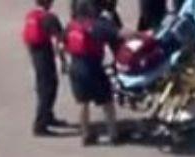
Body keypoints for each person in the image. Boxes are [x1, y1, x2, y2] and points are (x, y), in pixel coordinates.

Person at [65, 0, 121, 146]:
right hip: (92, 66)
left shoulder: (71, 26)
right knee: (107, 101)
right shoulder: (95, 25)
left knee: (83, 103)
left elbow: (62, 44)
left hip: (75, 66)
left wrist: (64, 64)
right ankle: (113, 134)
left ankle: (86, 135)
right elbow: (118, 34)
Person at [22, 0, 66, 137]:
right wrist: (63, 60)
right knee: (48, 88)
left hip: (35, 52)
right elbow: (59, 41)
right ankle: (40, 124)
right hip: (44, 53)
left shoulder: (32, 15)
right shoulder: (50, 18)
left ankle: (48, 116)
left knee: (45, 85)